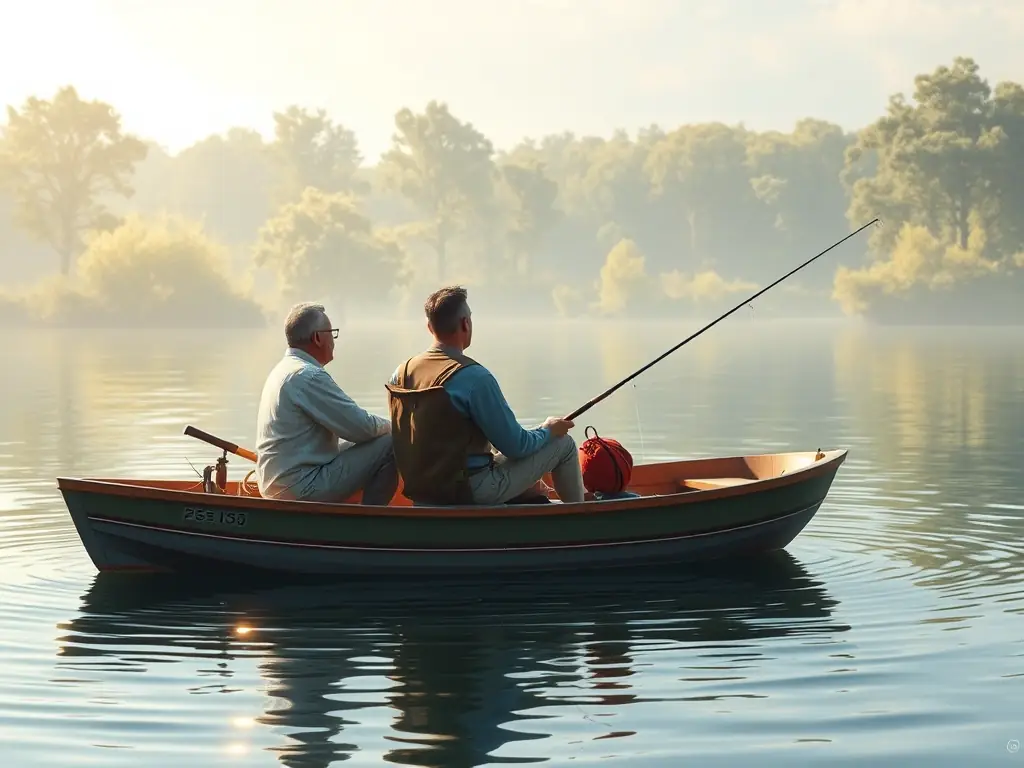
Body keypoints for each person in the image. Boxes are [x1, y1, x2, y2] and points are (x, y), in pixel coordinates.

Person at [385, 285, 585, 506]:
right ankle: (579, 520)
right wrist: (548, 430)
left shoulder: (400, 373)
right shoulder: (474, 378)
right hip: (469, 491)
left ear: (429, 326)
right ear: (465, 323)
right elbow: (517, 446)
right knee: (563, 444)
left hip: (422, 491)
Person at [255, 302, 397, 505]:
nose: (334, 340)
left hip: (277, 483)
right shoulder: (308, 376)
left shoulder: (283, 369)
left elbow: (356, 427)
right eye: (332, 333)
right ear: (318, 338)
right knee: (392, 442)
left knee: (374, 441)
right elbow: (361, 427)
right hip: (300, 487)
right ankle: (370, 523)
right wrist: (396, 428)